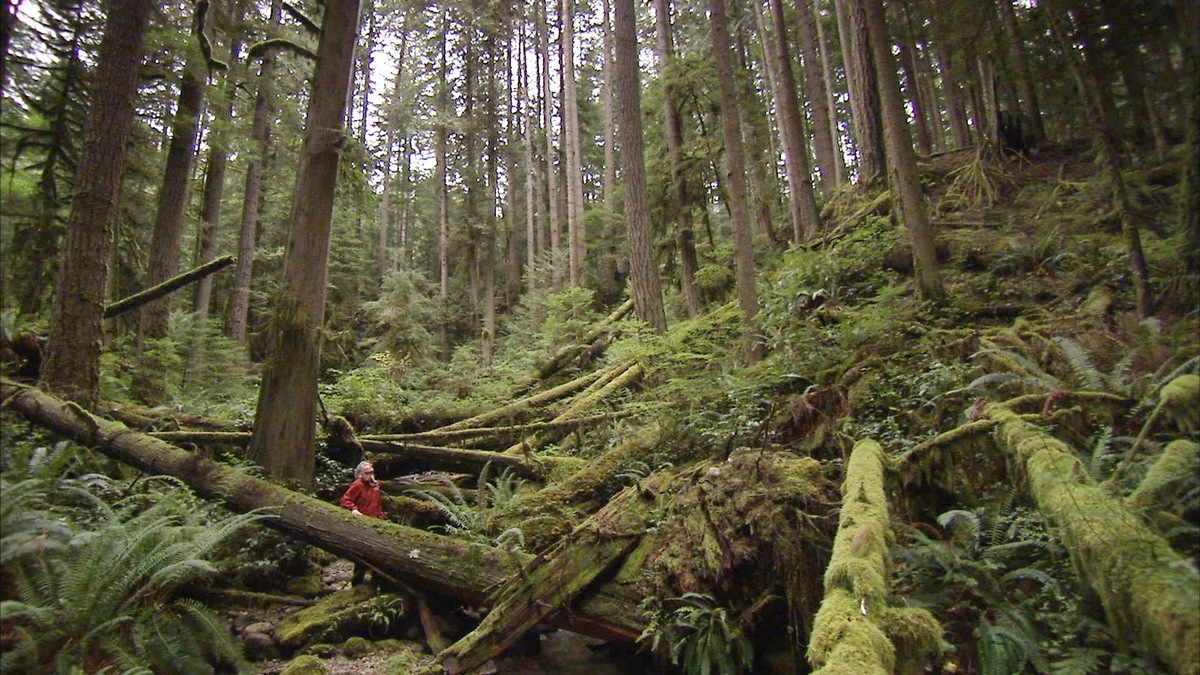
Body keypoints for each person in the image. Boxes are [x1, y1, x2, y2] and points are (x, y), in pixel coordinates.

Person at [339, 461, 384, 585]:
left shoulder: (376, 486)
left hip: (376, 524)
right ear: (360, 474)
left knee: (377, 555)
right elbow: (345, 500)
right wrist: (354, 509)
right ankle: (357, 585)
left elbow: (378, 504)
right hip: (363, 524)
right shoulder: (357, 485)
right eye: (367, 473)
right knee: (362, 556)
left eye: (372, 472)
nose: (371, 475)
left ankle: (376, 584)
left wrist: (381, 520)